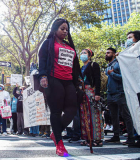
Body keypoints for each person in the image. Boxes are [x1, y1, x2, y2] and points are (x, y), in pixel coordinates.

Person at [38, 18, 81, 156]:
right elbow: (43, 60)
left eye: (67, 29)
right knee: (56, 112)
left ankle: (55, 134)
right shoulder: (48, 43)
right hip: (54, 80)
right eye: (62, 28)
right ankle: (59, 144)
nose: (65, 31)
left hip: (69, 82)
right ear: (55, 29)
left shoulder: (69, 46)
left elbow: (75, 66)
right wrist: (43, 76)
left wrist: (78, 80)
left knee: (72, 110)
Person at [104, 47, 135, 145]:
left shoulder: (119, 64)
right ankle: (116, 136)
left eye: (108, 52)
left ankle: (131, 137)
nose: (106, 54)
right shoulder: (109, 65)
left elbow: (124, 77)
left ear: (114, 54)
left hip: (120, 93)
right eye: (106, 52)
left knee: (126, 116)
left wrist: (112, 74)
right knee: (113, 116)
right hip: (110, 93)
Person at [79, 49, 104, 147]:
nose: (82, 55)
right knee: (84, 115)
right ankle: (87, 138)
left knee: (94, 115)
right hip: (83, 93)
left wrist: (97, 94)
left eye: (84, 53)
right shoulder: (81, 68)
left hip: (92, 92)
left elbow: (97, 79)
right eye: (81, 53)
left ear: (89, 56)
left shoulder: (94, 65)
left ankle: (97, 139)